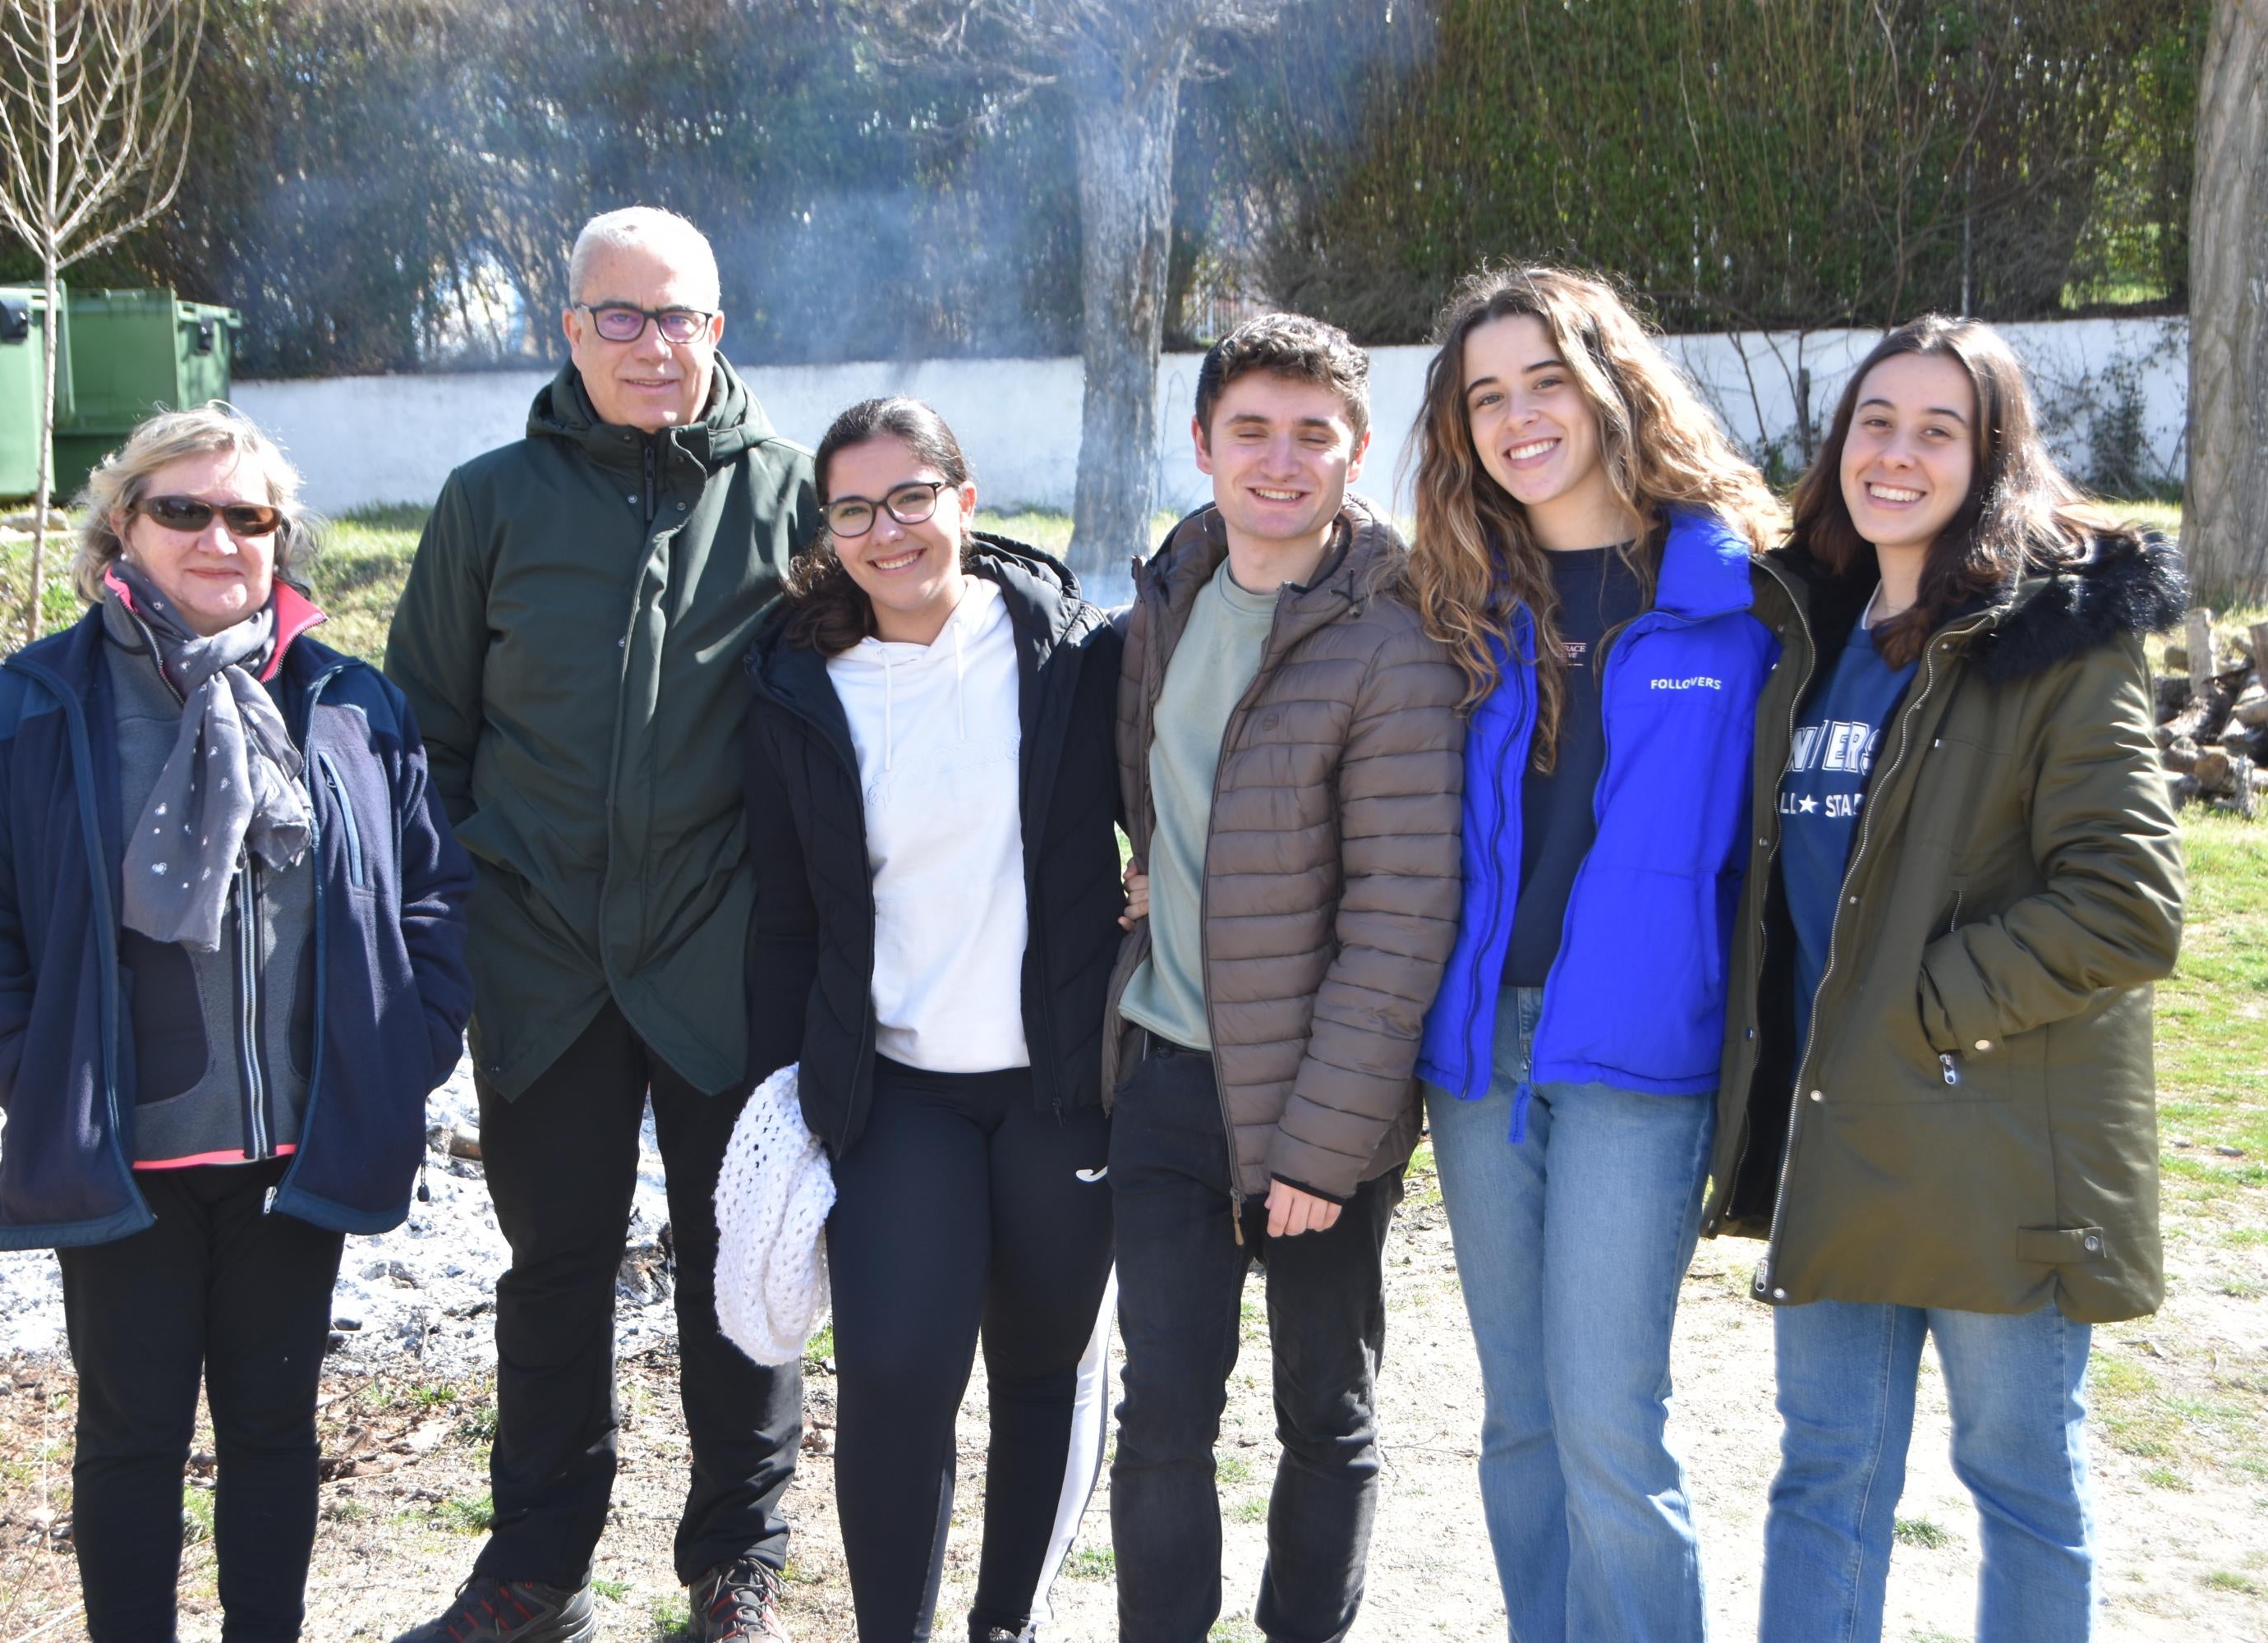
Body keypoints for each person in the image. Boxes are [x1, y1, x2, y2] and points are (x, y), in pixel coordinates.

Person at [0, 404, 473, 1642]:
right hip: (126, 1156)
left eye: (250, 516)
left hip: (292, 1156)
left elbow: (432, 887)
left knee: (275, 1431)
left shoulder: (348, 700)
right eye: (185, 511)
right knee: (131, 1437)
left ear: (281, 537)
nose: (221, 538)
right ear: (124, 524)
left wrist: (407, 1043)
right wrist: (27, 1067)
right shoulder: (27, 706)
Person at [1704, 315, 2184, 1643]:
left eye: (1938, 428)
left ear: (1992, 456)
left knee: (2020, 1483)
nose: (1897, 453)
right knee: (1824, 1483)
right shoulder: (1805, 628)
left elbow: (2129, 906)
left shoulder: (2059, 639)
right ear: (1837, 444)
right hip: (1841, 1132)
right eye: (1875, 421)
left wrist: (1918, 1012)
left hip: (1993, 1140)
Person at [384, 207, 817, 1643]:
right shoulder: (488, 504)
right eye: (618, 317)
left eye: (677, 316)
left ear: (720, 325)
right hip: (545, 963)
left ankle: (735, 1568)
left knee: (737, 1270)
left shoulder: (798, 499)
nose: (651, 345)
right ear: (569, 330)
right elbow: (424, 744)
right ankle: (535, 1571)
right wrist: (455, 930)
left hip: (718, 956)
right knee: (554, 1273)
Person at [1406, 265, 1786, 1643]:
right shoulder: (1449, 593)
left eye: (1545, 382)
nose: (1518, 420)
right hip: (1480, 1049)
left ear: (1612, 381)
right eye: (1485, 398)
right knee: (1519, 1418)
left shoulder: (1746, 587)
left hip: (1644, 1051)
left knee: (1610, 1423)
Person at [1102, 311, 1464, 1643]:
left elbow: (1401, 910)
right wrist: (1148, 888)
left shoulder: (1395, 638)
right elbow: (1164, 802)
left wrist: (1317, 1147)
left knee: (1325, 1409)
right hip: (1166, 1079)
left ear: (1355, 451)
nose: (1278, 458)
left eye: (1313, 433)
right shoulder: (1170, 592)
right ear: (1201, 444)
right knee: (1162, 1416)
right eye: (1249, 429)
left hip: (1321, 1108)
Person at [742, 397, 1123, 1643]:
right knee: (899, 1376)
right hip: (897, 1090)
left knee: (1040, 1372)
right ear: (829, 533)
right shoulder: (801, 686)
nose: (886, 529)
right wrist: (785, 1098)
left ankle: (1005, 1623)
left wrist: (1153, 887)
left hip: (1058, 1082)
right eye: (853, 509)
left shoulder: (1066, 651)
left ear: (965, 500)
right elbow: (785, 913)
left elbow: (1169, 803)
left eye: (912, 497)